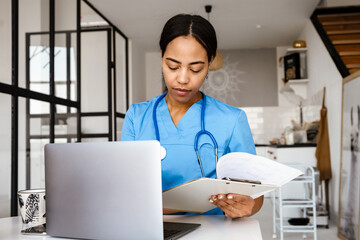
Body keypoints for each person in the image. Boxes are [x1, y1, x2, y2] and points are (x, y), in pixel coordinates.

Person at [121, 14, 263, 218]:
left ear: (210, 62)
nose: (183, 79)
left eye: (196, 69)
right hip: (148, 229)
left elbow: (255, 195)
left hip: (212, 232)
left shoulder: (232, 120)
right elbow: (124, 188)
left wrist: (249, 206)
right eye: (173, 66)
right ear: (161, 57)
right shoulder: (137, 116)